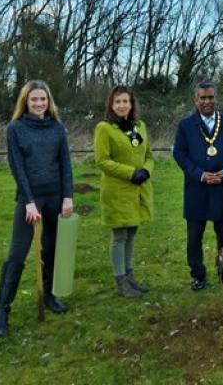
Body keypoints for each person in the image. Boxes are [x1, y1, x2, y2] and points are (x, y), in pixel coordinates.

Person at [0, 80, 73, 337]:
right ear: (25, 102)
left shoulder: (58, 129)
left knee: (51, 250)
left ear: (49, 102)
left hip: (55, 197)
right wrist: (29, 201)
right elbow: (18, 167)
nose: (39, 104)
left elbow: (65, 165)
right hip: (30, 198)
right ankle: (2, 310)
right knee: (17, 255)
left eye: (43, 100)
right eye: (34, 99)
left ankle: (49, 295)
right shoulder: (15, 129)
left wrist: (68, 196)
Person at [173, 81, 223, 291]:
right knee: (194, 236)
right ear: (196, 100)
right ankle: (198, 275)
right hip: (197, 188)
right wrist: (200, 175)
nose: (207, 101)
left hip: (222, 189)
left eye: (211, 97)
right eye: (203, 98)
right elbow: (180, 154)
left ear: (216, 98)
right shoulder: (185, 126)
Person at [94, 85, 154, 298]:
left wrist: (146, 171)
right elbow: (102, 161)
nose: (121, 105)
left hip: (138, 190)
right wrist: (131, 173)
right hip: (117, 190)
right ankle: (120, 282)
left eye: (125, 101)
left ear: (131, 104)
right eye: (117, 101)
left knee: (131, 234)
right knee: (119, 235)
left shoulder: (140, 126)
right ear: (111, 104)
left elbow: (149, 155)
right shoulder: (105, 128)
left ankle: (129, 277)